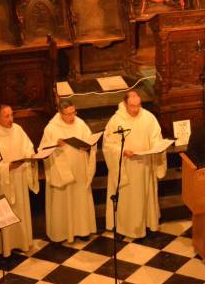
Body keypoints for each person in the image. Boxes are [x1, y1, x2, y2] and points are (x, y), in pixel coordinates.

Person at [103, 91, 167, 239]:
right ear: (125, 104)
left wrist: (156, 147)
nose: (136, 109)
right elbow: (108, 145)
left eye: (138, 106)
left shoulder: (148, 117)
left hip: (144, 165)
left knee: (144, 196)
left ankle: (146, 224)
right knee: (127, 199)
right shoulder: (116, 120)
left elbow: (156, 137)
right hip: (126, 166)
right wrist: (123, 150)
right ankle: (125, 227)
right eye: (132, 106)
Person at [0, 105, 38, 256]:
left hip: (18, 177)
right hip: (2, 182)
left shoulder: (17, 129)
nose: (11, 119)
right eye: (6, 116)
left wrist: (29, 155)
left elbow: (28, 146)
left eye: (12, 115)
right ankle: (6, 247)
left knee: (20, 210)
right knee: (6, 212)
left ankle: (22, 242)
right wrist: (7, 167)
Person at [39, 100, 97, 243]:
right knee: (63, 201)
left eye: (74, 112)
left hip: (80, 169)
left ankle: (82, 230)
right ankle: (62, 233)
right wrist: (55, 144)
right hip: (61, 172)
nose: (72, 117)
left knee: (80, 198)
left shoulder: (80, 123)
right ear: (60, 113)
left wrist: (88, 146)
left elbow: (89, 140)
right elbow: (42, 150)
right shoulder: (51, 128)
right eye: (68, 114)